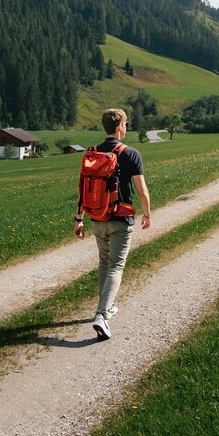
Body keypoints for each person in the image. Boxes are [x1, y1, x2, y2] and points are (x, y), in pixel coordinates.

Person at [74, 108, 151, 339]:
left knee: (104, 262)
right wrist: (147, 213)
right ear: (119, 127)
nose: (126, 128)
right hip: (120, 219)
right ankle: (102, 315)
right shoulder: (130, 154)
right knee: (116, 266)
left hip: (96, 218)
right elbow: (141, 190)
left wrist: (79, 219)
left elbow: (82, 187)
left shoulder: (92, 153)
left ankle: (107, 306)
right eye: (126, 124)